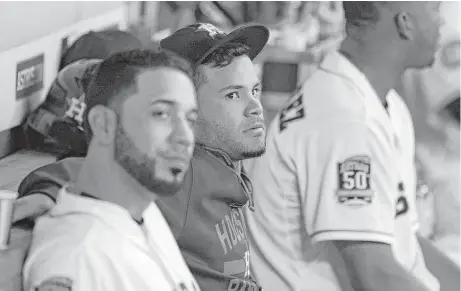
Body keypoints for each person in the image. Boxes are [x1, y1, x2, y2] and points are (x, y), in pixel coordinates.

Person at [10, 23, 269, 291]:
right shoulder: (174, 177)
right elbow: (83, 172)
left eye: (255, 91)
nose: (255, 107)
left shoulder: (151, 210)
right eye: (161, 114)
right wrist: (48, 192)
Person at [245, 2, 458, 291]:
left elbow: (404, 242)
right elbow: (373, 274)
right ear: (405, 23)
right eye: (434, 9)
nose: (442, 23)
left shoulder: (379, 102)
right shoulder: (344, 119)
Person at [21, 49, 201, 291]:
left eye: (190, 119)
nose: (184, 137)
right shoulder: (78, 259)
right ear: (103, 123)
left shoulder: (143, 211)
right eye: (161, 114)